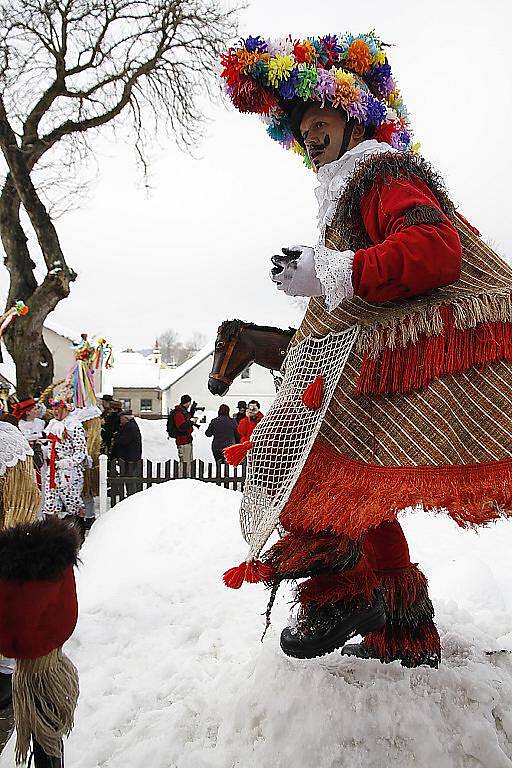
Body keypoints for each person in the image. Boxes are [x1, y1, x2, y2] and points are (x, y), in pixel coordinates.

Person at [220, 32, 512, 668]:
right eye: (299, 126)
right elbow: (349, 276)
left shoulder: (383, 176)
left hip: (384, 358)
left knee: (309, 463)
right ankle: (401, 626)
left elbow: (435, 251)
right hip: (359, 356)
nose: (308, 134)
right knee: (361, 485)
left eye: (318, 118)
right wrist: (312, 276)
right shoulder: (348, 190)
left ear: (353, 115)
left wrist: (333, 270)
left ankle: (340, 590)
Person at [0, 420, 79, 767]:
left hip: (22, 674)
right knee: (47, 739)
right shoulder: (45, 553)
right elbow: (60, 620)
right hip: (32, 673)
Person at [43, 400, 88, 540]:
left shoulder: (74, 426)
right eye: (54, 408)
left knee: (72, 502)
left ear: (66, 409)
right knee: (50, 502)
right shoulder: (53, 424)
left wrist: (68, 462)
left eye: (58, 408)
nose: (55, 411)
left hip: (69, 472)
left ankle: (78, 536)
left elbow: (81, 451)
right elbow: (50, 445)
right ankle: (52, 537)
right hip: (53, 471)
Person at [110, 411, 142, 495]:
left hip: (130, 457)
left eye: (121, 419)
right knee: (128, 476)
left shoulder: (130, 427)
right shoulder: (128, 426)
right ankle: (130, 493)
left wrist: (116, 437)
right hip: (128, 457)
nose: (120, 421)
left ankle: (131, 494)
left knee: (130, 477)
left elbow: (123, 441)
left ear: (126, 418)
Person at [169, 395, 196, 468]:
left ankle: (186, 476)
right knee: (185, 463)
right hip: (183, 441)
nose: (189, 405)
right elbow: (181, 427)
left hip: (186, 440)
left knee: (187, 462)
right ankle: (183, 477)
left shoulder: (183, 412)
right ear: (187, 402)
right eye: (189, 403)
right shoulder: (179, 413)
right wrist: (191, 422)